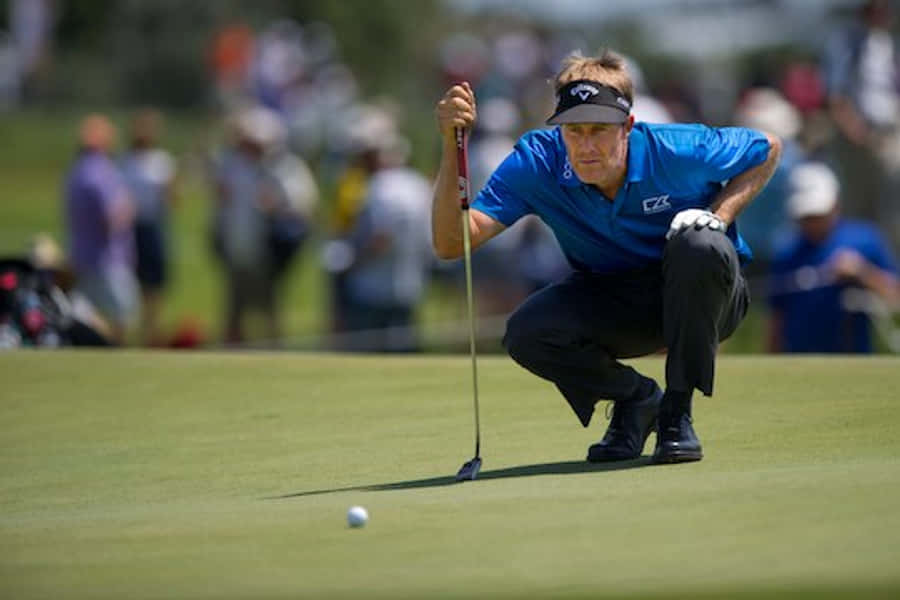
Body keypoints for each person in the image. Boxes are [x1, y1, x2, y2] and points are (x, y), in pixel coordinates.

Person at [433, 50, 781, 464]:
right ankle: (636, 400)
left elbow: (768, 148)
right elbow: (453, 243)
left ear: (627, 127)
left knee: (697, 244)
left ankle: (676, 413)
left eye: (599, 129)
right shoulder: (538, 161)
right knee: (528, 331)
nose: (585, 146)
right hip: (618, 300)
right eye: (573, 131)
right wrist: (449, 146)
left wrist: (718, 216)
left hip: (709, 299)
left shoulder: (678, 150)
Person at [768, 162, 900, 353]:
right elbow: (775, 321)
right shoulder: (787, 252)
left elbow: (895, 295)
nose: (812, 223)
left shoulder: (865, 240)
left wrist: (863, 272)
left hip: (855, 362)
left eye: (818, 214)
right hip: (797, 364)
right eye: (806, 217)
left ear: (835, 204)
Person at [823, 0, 900, 249]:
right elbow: (836, 95)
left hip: (889, 134)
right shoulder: (846, 41)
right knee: (859, 209)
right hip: (859, 137)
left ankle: (888, 268)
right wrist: (855, 131)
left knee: (891, 204)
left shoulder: (886, 42)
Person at [63, 114, 138, 344]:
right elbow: (112, 217)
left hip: (80, 255)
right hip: (107, 259)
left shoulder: (75, 172)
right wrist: (128, 209)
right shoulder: (102, 173)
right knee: (120, 319)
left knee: (85, 314)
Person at [120, 108, 177, 346]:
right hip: (129, 228)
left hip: (153, 226)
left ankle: (151, 334)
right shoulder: (124, 161)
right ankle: (124, 334)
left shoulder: (162, 161)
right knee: (129, 282)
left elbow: (173, 198)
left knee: (154, 285)